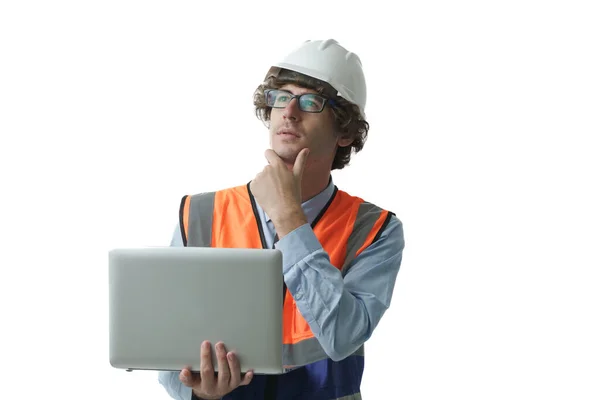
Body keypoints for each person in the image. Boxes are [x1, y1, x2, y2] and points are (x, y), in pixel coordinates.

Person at [158, 38, 405, 400]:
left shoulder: (375, 229)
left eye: (310, 101)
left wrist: (290, 218)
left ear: (346, 132)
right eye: (280, 96)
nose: (289, 111)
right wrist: (200, 394)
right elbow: (167, 350)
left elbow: (342, 337)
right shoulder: (200, 214)